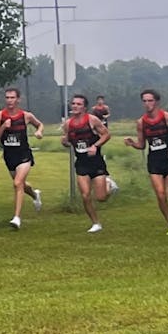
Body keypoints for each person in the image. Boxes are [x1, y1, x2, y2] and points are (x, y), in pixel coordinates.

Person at [124, 89, 168, 235]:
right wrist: (132, 143)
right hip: (154, 162)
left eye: (150, 100)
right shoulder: (141, 123)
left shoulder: (167, 118)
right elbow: (142, 145)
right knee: (160, 194)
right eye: (144, 101)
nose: (147, 104)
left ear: (157, 102)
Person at [0, 87, 45, 229]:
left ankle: (16, 218)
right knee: (22, 184)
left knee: (17, 183)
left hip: (24, 155)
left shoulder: (26, 116)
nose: (10, 100)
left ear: (18, 99)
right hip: (10, 156)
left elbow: (39, 124)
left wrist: (39, 132)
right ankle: (35, 195)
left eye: (12, 98)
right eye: (7, 98)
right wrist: (3, 126)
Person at [62, 94, 113, 233]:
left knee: (101, 197)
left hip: (96, 162)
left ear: (84, 107)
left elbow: (106, 134)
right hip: (81, 163)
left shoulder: (92, 120)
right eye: (73, 103)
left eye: (79, 104)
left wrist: (95, 146)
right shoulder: (68, 124)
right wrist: (65, 142)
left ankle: (109, 184)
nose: (75, 106)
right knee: (85, 195)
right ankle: (96, 223)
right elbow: (68, 140)